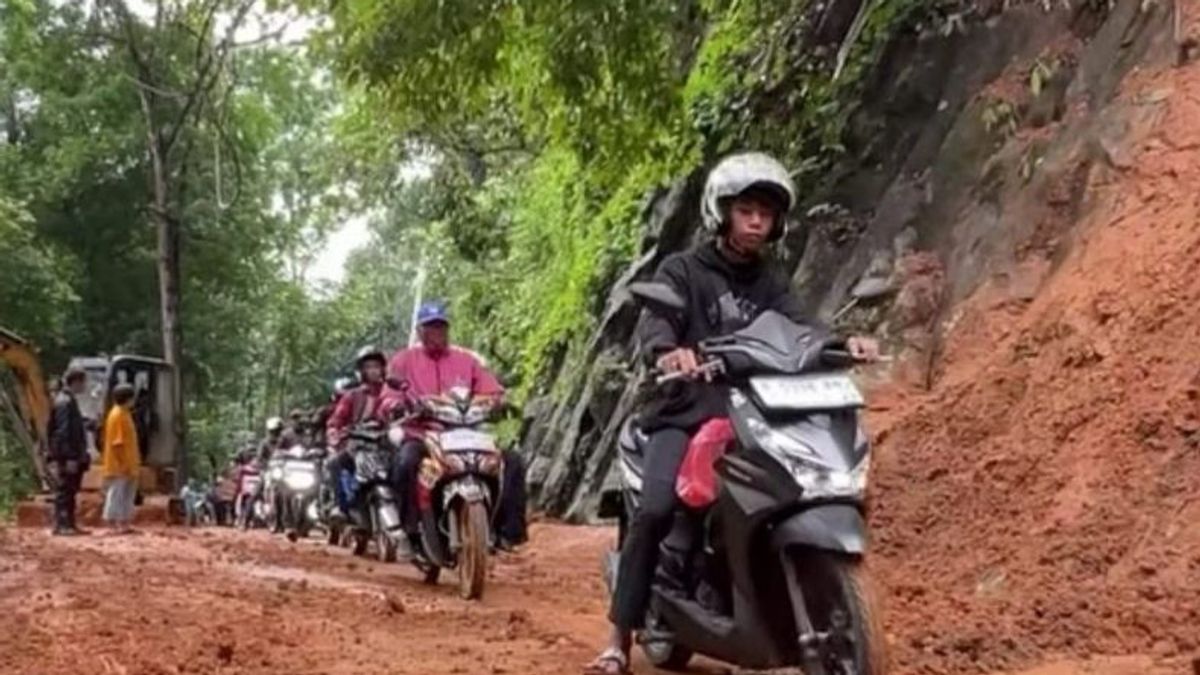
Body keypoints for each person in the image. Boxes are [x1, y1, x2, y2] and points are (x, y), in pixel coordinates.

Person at [585, 152, 881, 675]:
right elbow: (658, 320)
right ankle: (617, 637)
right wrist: (669, 352)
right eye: (746, 209)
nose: (756, 221)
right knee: (654, 510)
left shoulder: (771, 280)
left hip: (754, 406)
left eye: (765, 214)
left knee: (789, 485)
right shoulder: (683, 270)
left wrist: (840, 343)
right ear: (720, 212)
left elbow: (800, 327)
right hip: (684, 407)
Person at [388, 301, 507, 556]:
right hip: (422, 432)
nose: (437, 332)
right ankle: (408, 531)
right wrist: (395, 406)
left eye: (441, 326)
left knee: (511, 461)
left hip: (466, 433)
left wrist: (498, 401)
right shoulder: (404, 360)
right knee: (405, 462)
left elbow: (491, 388)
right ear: (420, 331)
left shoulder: (467, 360)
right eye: (431, 327)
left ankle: (506, 530)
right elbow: (390, 396)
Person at [325, 346, 397, 526]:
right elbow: (336, 420)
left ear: (383, 369)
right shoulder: (352, 396)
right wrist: (335, 432)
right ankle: (340, 507)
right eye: (368, 367)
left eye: (377, 366)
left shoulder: (393, 393)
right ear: (362, 371)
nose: (373, 371)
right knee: (334, 463)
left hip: (388, 446)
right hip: (359, 446)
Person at [46, 368, 90, 536]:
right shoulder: (65, 402)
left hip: (71, 454)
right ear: (76, 382)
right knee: (65, 490)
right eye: (83, 382)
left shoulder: (68, 400)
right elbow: (63, 432)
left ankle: (69, 523)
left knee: (71, 490)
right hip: (67, 456)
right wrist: (70, 457)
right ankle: (62, 524)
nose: (85, 386)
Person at [101, 383, 141, 534]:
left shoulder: (125, 414)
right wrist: (124, 463)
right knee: (116, 494)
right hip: (120, 464)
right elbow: (117, 443)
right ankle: (112, 523)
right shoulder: (117, 415)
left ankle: (124, 523)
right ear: (128, 398)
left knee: (127, 495)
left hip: (128, 463)